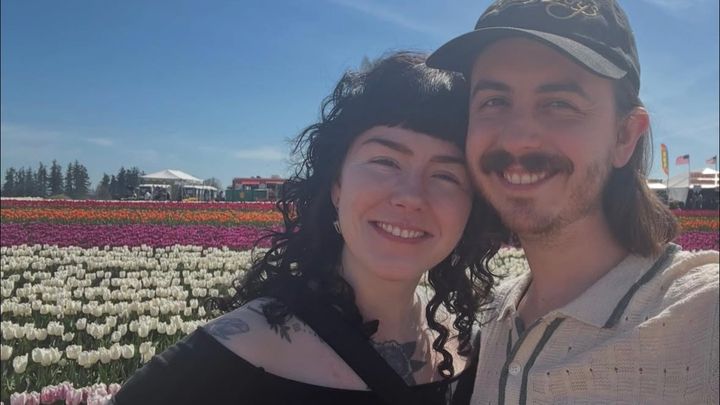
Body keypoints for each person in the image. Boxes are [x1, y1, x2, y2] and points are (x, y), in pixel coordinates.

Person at [109, 52, 506, 405]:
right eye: (386, 162)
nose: (411, 197)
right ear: (336, 185)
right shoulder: (233, 355)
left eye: (446, 175)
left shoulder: (477, 351)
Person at [427, 1, 720, 404]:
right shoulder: (491, 321)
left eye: (559, 103)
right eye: (494, 101)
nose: (517, 138)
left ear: (624, 136)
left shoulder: (704, 316)